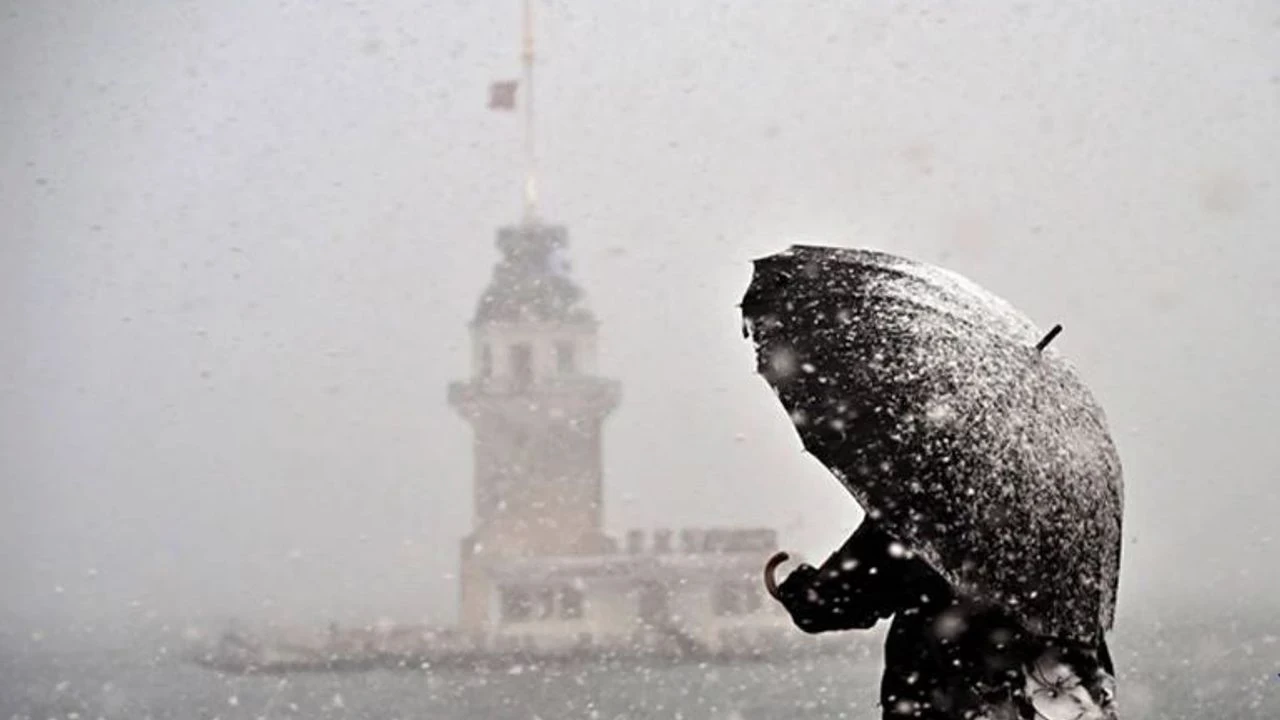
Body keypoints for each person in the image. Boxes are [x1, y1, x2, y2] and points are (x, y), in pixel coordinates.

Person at [766, 519, 1118, 719]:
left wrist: (795, 590)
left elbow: (830, 604)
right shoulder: (1065, 527)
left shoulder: (921, 511)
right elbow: (1087, 659)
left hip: (934, 706)